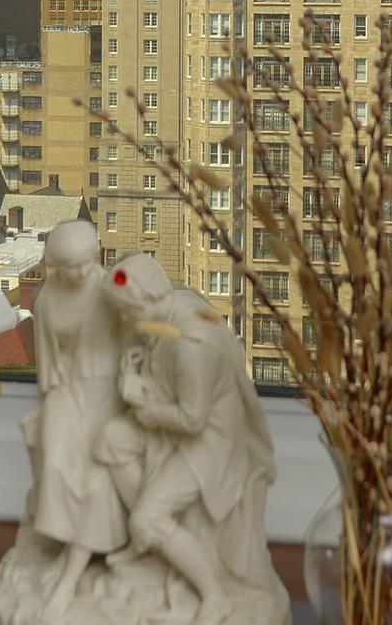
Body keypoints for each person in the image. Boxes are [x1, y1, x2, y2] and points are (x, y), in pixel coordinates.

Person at [96, 254, 279, 625]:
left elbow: (193, 419)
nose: (126, 321)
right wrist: (137, 375)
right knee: (111, 439)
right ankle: (151, 545)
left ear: (143, 300)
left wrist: (144, 407)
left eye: (127, 312)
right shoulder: (173, 310)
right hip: (174, 424)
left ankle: (212, 595)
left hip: (207, 446)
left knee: (148, 518)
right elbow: (169, 381)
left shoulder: (190, 340)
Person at [23, 220, 128, 616]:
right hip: (67, 389)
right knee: (55, 462)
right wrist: (49, 406)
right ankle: (68, 547)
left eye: (88, 262)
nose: (83, 273)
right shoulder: (48, 300)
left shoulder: (112, 288)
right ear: (56, 267)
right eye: (72, 267)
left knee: (98, 474)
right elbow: (48, 365)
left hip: (110, 389)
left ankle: (71, 576)